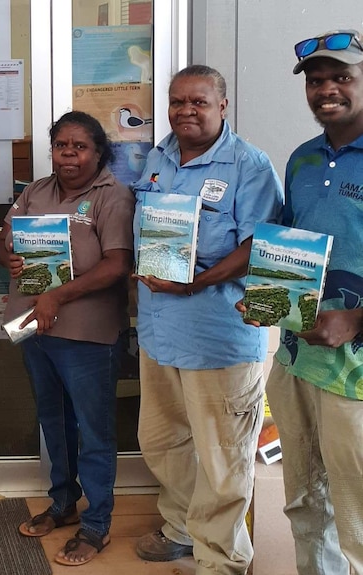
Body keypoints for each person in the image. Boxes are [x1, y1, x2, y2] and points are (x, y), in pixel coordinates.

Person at [132, 65, 283, 574]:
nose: (185, 112)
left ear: (223, 106)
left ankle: (221, 559)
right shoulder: (159, 156)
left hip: (217, 336)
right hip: (159, 333)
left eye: (198, 102)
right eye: (177, 102)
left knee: (223, 459)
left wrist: (196, 283)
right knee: (163, 441)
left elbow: (258, 244)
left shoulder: (249, 165)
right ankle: (180, 528)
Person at [0, 110, 135, 567]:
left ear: (98, 152)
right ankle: (62, 502)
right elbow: (4, 239)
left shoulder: (112, 196)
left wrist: (56, 295)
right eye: (61, 146)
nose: (69, 154)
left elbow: (116, 264)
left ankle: (97, 524)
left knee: (94, 430)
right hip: (36, 327)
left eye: (80, 147)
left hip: (88, 334)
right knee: (53, 419)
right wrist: (9, 257)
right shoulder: (36, 190)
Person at [259, 30, 363, 574]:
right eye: (317, 80)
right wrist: (264, 298)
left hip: (357, 377)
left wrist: (357, 318)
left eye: (342, 77)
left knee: (360, 517)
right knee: (304, 504)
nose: (327, 89)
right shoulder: (302, 159)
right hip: (297, 362)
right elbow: (286, 245)